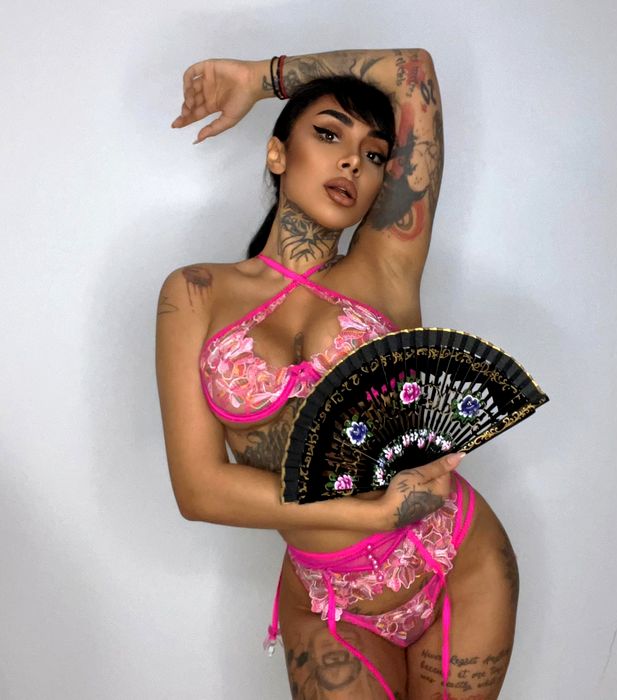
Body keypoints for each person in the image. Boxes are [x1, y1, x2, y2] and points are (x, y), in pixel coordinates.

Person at [156, 49, 519, 700]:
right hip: (329, 598)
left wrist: (261, 78)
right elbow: (199, 490)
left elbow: (411, 69)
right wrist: (372, 514)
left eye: (374, 154)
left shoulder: (385, 265)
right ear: (277, 154)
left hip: (455, 560)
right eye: (328, 134)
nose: (353, 160)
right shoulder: (195, 293)